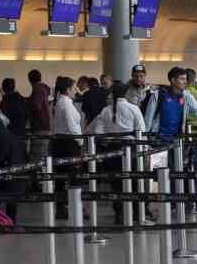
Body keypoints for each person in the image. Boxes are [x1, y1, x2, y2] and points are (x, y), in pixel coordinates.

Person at [85, 81, 145, 224]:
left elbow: (97, 132)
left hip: (112, 151)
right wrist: (143, 151)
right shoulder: (134, 108)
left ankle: (119, 214)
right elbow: (141, 131)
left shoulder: (106, 110)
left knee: (116, 184)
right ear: (126, 93)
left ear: (112, 94)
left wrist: (108, 142)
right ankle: (136, 214)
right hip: (131, 150)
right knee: (134, 182)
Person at [149, 66, 197, 141]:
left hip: (177, 141)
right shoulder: (159, 95)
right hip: (157, 140)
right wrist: (144, 140)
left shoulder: (187, 96)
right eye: (182, 79)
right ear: (173, 80)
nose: (185, 82)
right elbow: (148, 117)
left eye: (185, 79)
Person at [50, 76, 82, 219]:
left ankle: (61, 208)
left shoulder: (60, 102)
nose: (76, 90)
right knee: (73, 177)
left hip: (59, 143)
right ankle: (73, 208)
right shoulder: (66, 104)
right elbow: (72, 126)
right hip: (69, 143)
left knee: (60, 179)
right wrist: (80, 141)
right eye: (74, 88)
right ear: (68, 89)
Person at [27, 69, 52, 160]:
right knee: (43, 153)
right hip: (45, 125)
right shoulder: (43, 88)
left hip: (40, 126)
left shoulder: (37, 89)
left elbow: (36, 106)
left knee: (37, 155)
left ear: (29, 80)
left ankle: (39, 169)